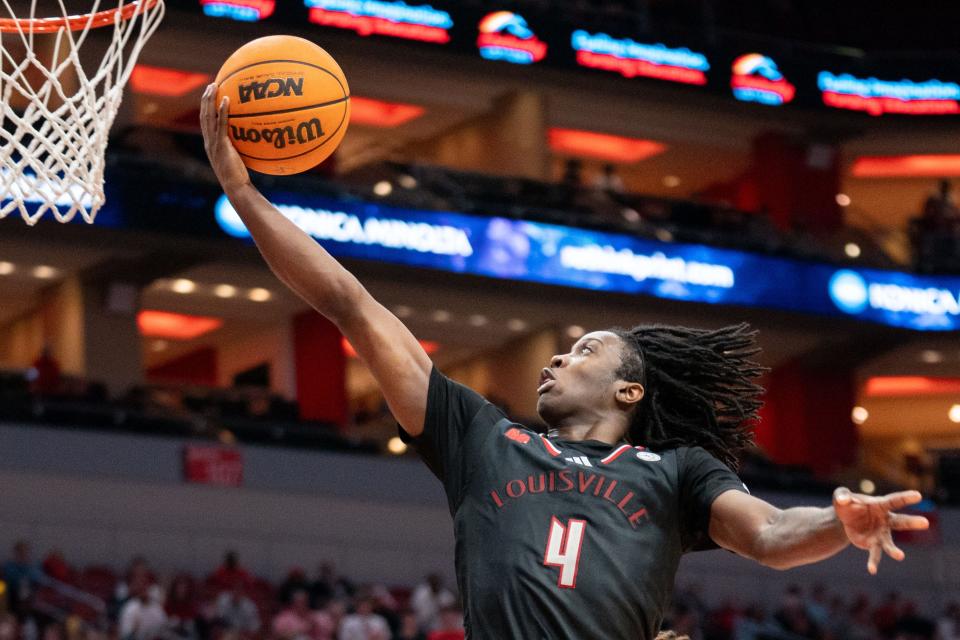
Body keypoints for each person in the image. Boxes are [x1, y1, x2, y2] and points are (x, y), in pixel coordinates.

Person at [201, 85, 931, 640]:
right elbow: (351, 305)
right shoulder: (482, 439)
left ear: (628, 389)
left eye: (585, 350)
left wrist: (843, 523)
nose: (555, 355)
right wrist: (242, 193)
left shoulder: (676, 470)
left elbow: (770, 536)